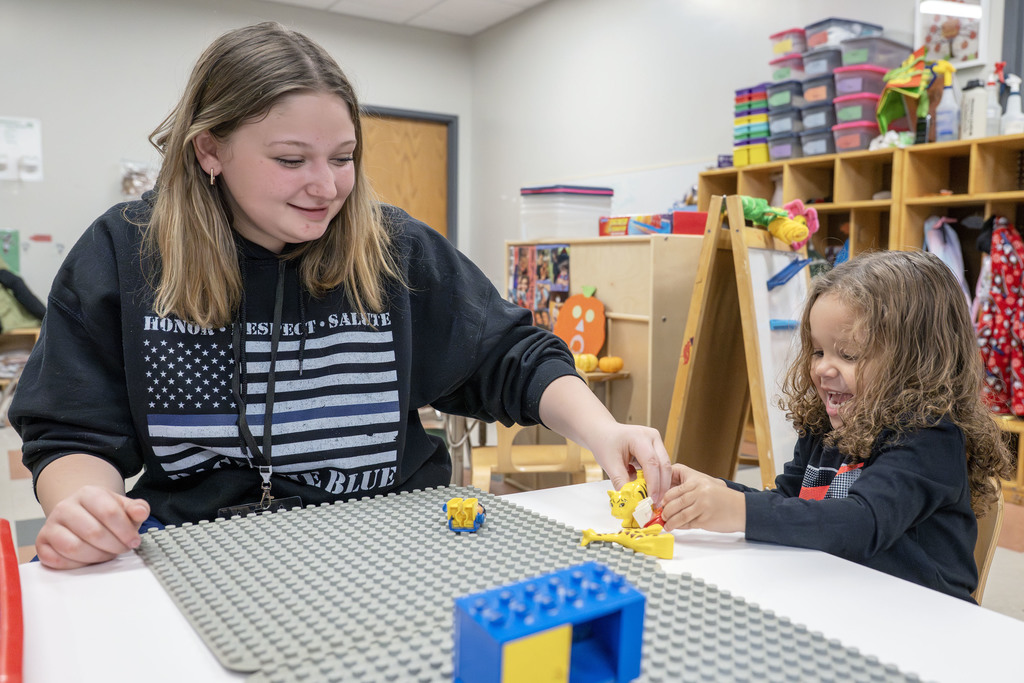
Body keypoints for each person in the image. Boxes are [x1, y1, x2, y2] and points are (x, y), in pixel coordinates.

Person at [10, 22, 671, 570]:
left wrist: (603, 429)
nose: (326, 187)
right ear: (210, 150)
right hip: (202, 550)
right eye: (291, 160)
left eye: (343, 157)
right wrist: (83, 506)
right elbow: (72, 429)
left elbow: (509, 356)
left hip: (392, 538)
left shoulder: (394, 247)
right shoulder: (124, 252)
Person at [660, 250, 1014, 602]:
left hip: (922, 616)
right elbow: (789, 501)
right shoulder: (825, 425)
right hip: (844, 600)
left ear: (917, 363)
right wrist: (714, 492)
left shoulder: (930, 436)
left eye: (848, 355)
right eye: (818, 351)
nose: (822, 369)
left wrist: (738, 510)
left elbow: (860, 524)